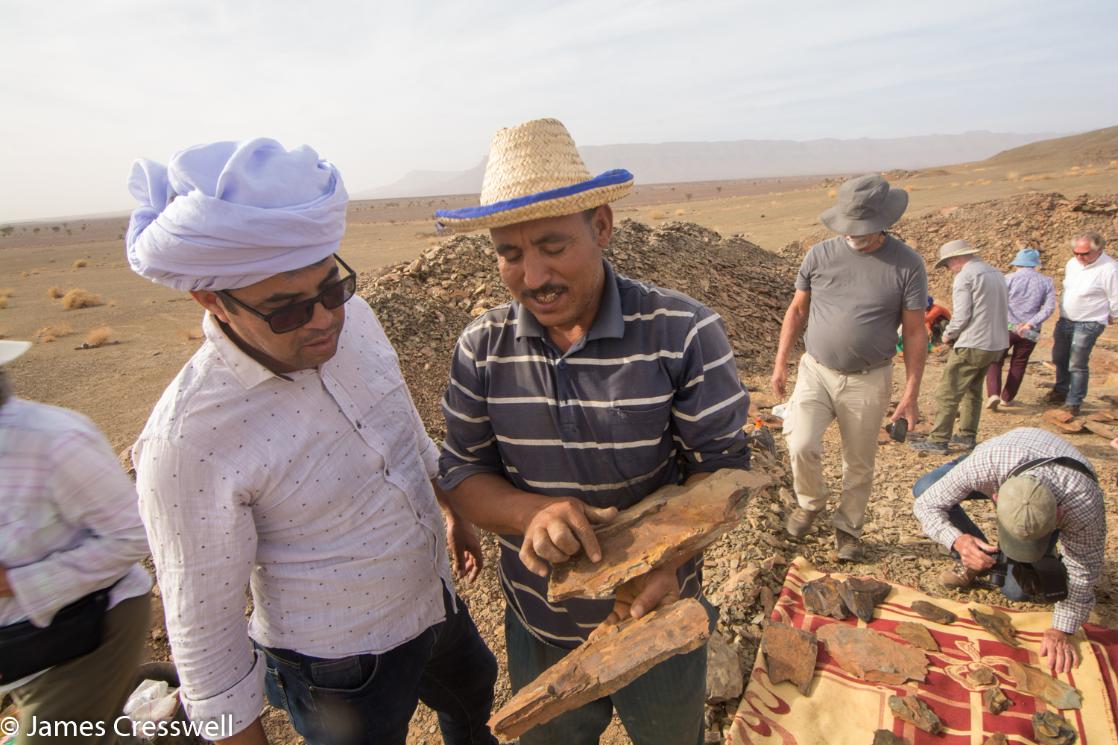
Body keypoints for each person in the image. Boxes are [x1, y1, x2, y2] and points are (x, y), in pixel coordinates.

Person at [127, 139, 497, 745]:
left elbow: (400, 424)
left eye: (332, 289)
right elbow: (206, 643)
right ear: (212, 301)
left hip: (435, 600)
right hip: (342, 670)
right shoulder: (188, 442)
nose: (324, 319)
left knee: (473, 699)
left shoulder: (359, 320)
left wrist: (452, 506)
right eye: (286, 310)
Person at [434, 118, 750, 745]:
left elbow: (725, 474)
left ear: (601, 226)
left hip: (657, 618)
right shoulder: (483, 347)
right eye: (510, 253)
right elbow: (462, 474)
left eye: (553, 246)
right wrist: (534, 514)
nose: (533, 277)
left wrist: (669, 561)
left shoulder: (683, 333)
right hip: (540, 628)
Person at [0, 339, 153, 745]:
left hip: (87, 630)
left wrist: (16, 582)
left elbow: (133, 535)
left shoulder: (56, 441)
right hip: (18, 643)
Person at [772, 174, 927, 561]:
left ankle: (848, 529)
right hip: (816, 371)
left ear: (884, 223)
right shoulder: (819, 256)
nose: (854, 235)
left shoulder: (907, 264)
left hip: (869, 379)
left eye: (864, 228)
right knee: (801, 443)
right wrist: (781, 365)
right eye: (848, 226)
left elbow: (913, 332)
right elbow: (797, 310)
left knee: (858, 462)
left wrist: (911, 393)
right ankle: (810, 503)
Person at [912, 428, 1104, 675]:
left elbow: (1084, 570)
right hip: (1006, 456)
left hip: (1058, 471)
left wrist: (1061, 629)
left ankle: (1038, 558)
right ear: (995, 496)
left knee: (1016, 591)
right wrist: (958, 541)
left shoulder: (1082, 504)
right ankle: (980, 557)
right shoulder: (985, 466)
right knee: (926, 486)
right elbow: (927, 504)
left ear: (1059, 516)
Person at [911, 240, 1008, 454]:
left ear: (955, 259)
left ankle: (938, 440)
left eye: (947, 265)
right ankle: (966, 435)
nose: (948, 269)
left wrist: (947, 335)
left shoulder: (965, 276)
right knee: (973, 390)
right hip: (996, 342)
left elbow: (962, 315)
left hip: (973, 342)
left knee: (948, 391)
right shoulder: (995, 273)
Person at [1046, 231, 1118, 415]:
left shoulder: (1109, 269)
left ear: (1099, 249)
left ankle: (1073, 402)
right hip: (1066, 318)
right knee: (1059, 357)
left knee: (1077, 363)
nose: (1079, 257)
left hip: (1089, 322)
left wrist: (1112, 314)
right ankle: (1061, 390)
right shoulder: (1072, 264)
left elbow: (1115, 297)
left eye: (1084, 253)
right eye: (1076, 252)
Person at [985, 247, 1055, 411]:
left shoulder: (1007, 278)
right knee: (1019, 363)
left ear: (1017, 263)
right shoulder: (1046, 281)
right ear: (1036, 265)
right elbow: (1049, 307)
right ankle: (1007, 398)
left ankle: (993, 394)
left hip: (1006, 327)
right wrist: (1031, 323)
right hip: (1031, 330)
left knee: (995, 360)